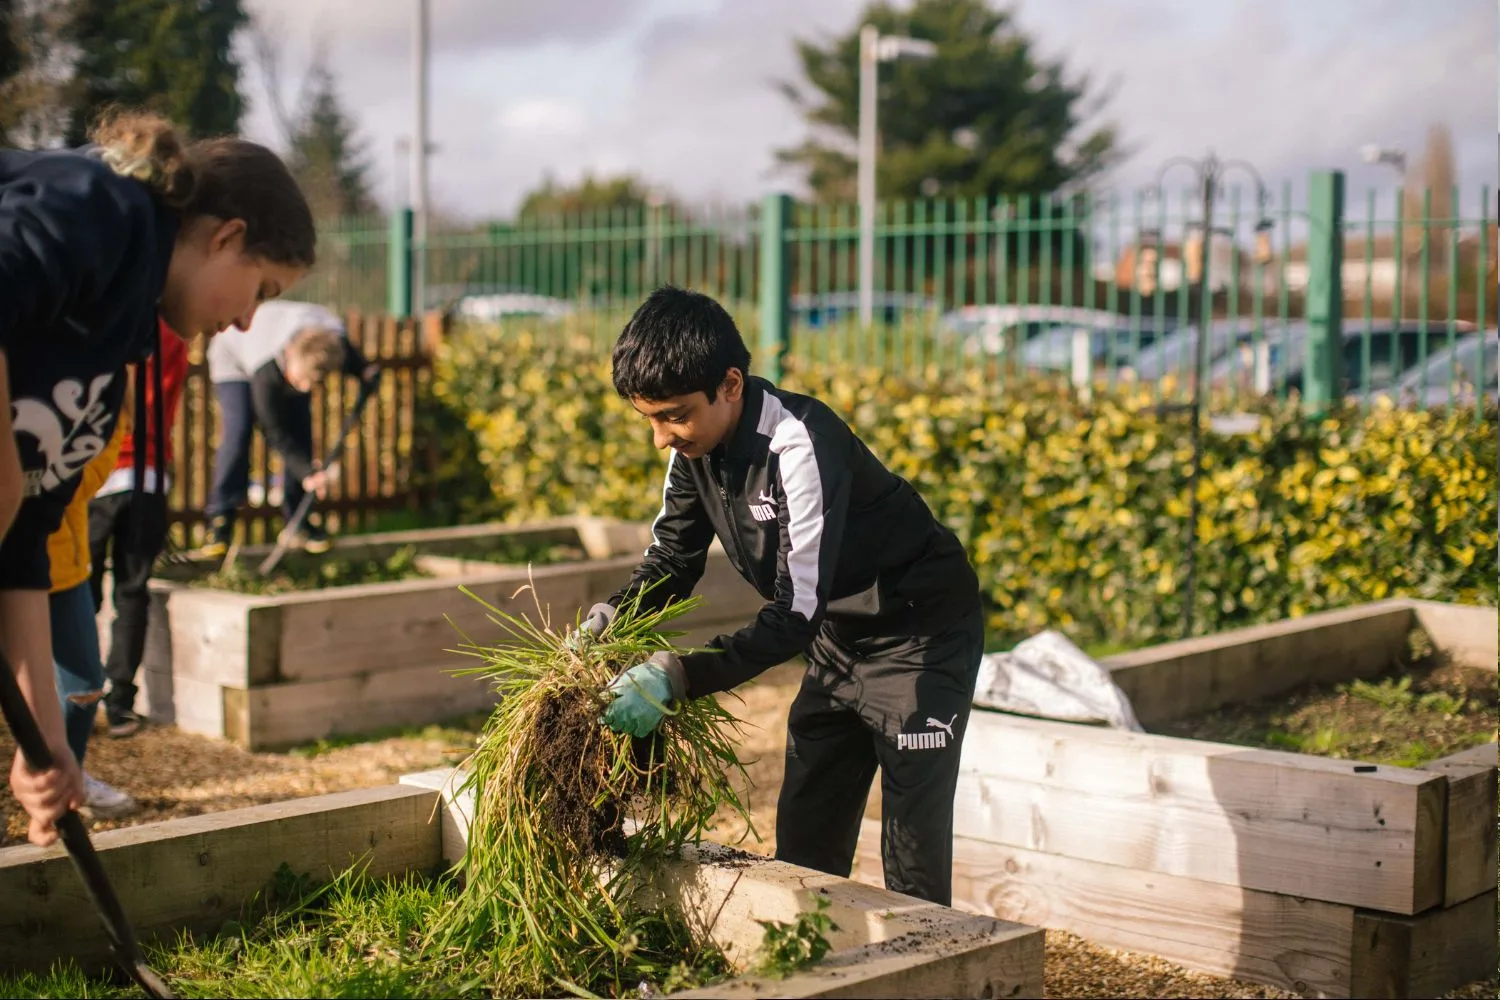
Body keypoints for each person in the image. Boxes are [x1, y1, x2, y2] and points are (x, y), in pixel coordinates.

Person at [578, 285, 985, 907]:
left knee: (911, 852)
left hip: (919, 633)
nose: (660, 438)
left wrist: (677, 675)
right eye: (650, 418)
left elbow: (793, 613)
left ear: (732, 384)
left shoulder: (800, 443)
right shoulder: (695, 450)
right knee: (804, 835)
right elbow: (672, 562)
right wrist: (611, 615)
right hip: (836, 637)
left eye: (675, 415)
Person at [0, 108, 316, 846]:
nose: (245, 324)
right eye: (261, 291)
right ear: (226, 236)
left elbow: (24, 550)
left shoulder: (115, 350)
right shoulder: (96, 209)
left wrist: (43, 748)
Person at [200, 300, 378, 558]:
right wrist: (307, 473)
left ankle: (299, 521)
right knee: (239, 431)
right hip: (233, 353)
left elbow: (362, 367)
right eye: (298, 381)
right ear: (290, 355)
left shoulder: (333, 342)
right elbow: (275, 431)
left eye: (311, 384)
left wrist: (369, 373)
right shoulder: (266, 367)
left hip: (285, 346)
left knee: (302, 429)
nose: (304, 388)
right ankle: (220, 521)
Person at [88, 318, 188, 738]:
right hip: (147, 473)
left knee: (80, 588)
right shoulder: (174, 333)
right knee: (132, 590)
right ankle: (121, 704)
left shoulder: (106, 317)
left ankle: (75, 696)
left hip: (100, 470)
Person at [49, 388, 137, 817]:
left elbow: (80, 481)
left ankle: (67, 773)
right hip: (38, 551)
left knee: (83, 683)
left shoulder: (109, 386)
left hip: (63, 558)